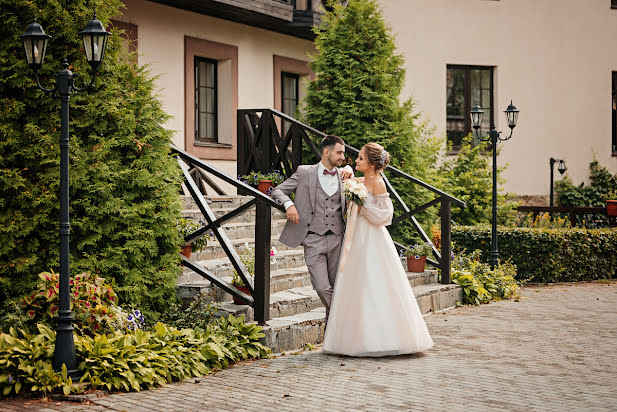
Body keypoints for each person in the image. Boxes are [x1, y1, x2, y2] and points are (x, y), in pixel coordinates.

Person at [322, 142, 434, 357]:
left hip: (372, 238)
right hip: (356, 238)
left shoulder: (379, 184)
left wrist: (362, 205)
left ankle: (382, 338)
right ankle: (354, 339)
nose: (355, 161)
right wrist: (347, 172)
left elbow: (385, 216)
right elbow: (345, 173)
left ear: (372, 164)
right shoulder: (361, 180)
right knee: (357, 282)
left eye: (360, 158)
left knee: (375, 282)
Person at [270, 135, 353, 323]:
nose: (342, 157)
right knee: (323, 287)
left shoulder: (344, 175)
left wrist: (348, 169)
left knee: (336, 287)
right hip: (313, 239)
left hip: (338, 239)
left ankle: (333, 339)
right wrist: (289, 205)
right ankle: (347, 321)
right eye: (339, 152)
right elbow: (278, 190)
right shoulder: (305, 172)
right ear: (326, 152)